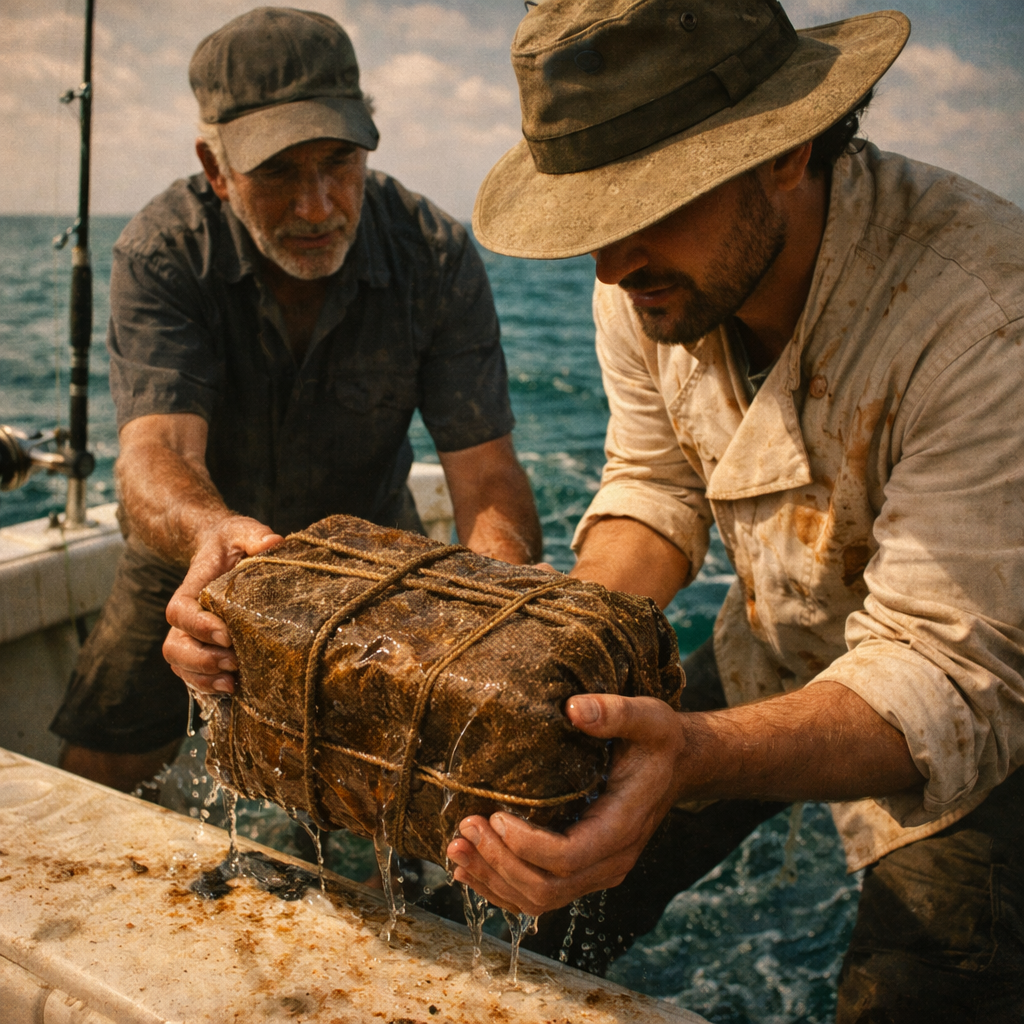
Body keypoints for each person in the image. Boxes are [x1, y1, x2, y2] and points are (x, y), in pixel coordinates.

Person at [446, 0, 1024, 1017]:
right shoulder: (645, 278)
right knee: (506, 899)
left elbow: (945, 673)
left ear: (787, 150)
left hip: (988, 712)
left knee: (918, 995)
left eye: (648, 203)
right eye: (591, 217)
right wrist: (550, 650)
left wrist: (692, 754)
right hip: (778, 642)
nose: (608, 266)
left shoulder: (988, 314)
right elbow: (654, 485)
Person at [51, 8, 541, 795]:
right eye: (278, 172)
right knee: (101, 767)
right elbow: (156, 453)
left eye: (339, 162)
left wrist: (489, 620)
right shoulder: (163, 252)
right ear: (215, 169)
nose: (317, 206)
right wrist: (212, 537)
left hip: (376, 560)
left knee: (416, 787)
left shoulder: (435, 251)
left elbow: (486, 476)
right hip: (196, 558)